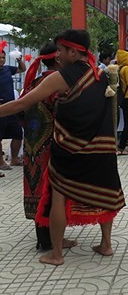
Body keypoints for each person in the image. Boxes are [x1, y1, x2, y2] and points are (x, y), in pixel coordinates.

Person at [0, 29, 125, 266]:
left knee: (59, 195)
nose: (58, 55)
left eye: (61, 50)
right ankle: (106, 244)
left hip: (70, 149)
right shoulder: (100, 75)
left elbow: (24, 103)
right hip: (102, 147)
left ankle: (56, 254)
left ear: (73, 51)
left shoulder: (60, 78)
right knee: (106, 192)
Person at [20, 43, 66, 250]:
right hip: (50, 143)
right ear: (58, 58)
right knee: (52, 189)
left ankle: (44, 238)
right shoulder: (56, 83)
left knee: (36, 186)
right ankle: (51, 240)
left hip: (31, 143)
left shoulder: (34, 82)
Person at [0, 47, 26, 171]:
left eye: (3, 57)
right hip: (0, 110)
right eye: (0, 57)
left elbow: (22, 69)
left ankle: (15, 159)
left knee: (17, 134)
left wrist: (19, 60)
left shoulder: (7, 69)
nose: (2, 60)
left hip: (11, 108)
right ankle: (1, 162)